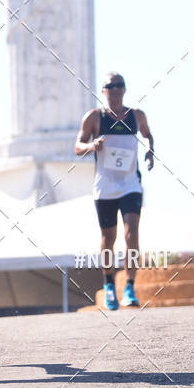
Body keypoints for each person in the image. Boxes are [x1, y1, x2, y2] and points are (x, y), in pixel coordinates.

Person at [74, 72, 154, 310]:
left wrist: (150, 151)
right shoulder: (94, 118)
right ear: (104, 90)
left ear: (125, 89)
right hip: (105, 187)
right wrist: (92, 145)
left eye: (120, 85)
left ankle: (129, 287)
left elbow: (148, 134)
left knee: (132, 234)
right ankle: (109, 284)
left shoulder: (136, 116)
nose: (116, 89)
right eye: (111, 86)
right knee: (109, 238)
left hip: (130, 184)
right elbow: (77, 147)